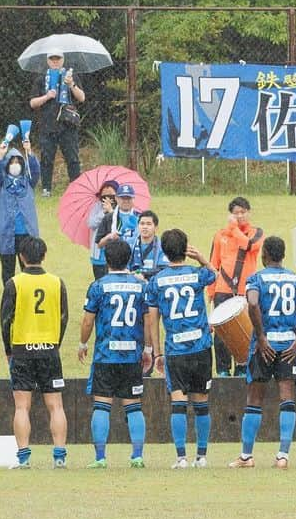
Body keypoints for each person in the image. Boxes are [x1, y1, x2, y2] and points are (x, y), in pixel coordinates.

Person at [229, 236, 296, 470]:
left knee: (254, 399)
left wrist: (262, 337)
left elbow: (252, 303)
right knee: (287, 397)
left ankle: (246, 456)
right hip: (288, 345)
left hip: (264, 346)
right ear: (283, 255)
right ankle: (283, 455)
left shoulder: (256, 278)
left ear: (264, 255)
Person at [145, 228, 216, 470]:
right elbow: (214, 275)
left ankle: (181, 457)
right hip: (201, 346)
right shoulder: (197, 275)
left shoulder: (156, 282)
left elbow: (152, 320)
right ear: (185, 249)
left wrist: (156, 353)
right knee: (201, 403)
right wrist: (203, 259)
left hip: (175, 349)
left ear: (163, 251)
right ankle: (202, 456)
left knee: (178, 401)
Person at [77, 240, 151, 469]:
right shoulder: (140, 286)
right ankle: (137, 456)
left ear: (106, 260)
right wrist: (148, 348)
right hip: (131, 355)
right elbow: (148, 319)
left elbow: (88, 319)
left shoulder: (98, 286)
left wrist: (82, 343)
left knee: (101, 405)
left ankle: (100, 458)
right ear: (128, 258)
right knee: (134, 405)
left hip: (106, 355)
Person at [0, 236, 69, 469]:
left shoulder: (14, 283)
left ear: (21, 257)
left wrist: (9, 351)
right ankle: (59, 456)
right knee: (56, 405)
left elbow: (5, 320)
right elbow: (64, 318)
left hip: (22, 349)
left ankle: (24, 457)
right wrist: (55, 344)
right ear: (44, 256)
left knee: (21, 406)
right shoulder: (57, 283)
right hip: (49, 349)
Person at [208, 197, 264, 376]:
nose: (239, 216)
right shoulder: (220, 235)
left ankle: (242, 367)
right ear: (230, 214)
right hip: (223, 289)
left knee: (245, 328)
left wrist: (234, 228)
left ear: (249, 212)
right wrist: (211, 291)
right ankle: (223, 369)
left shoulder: (256, 233)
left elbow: (248, 246)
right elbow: (213, 263)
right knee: (222, 331)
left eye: (242, 212)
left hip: (245, 290)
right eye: (235, 213)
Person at [28, 51, 85, 196]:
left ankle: (75, 190)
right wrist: (47, 96)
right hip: (47, 124)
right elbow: (33, 103)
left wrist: (71, 84)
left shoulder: (71, 76)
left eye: (58, 59)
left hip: (68, 124)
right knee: (47, 158)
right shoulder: (40, 79)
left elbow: (82, 97)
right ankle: (46, 189)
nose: (55, 61)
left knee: (72, 158)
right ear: (47, 61)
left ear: (63, 60)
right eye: (52, 59)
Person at [0, 141, 40, 285]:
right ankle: (10, 299)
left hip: (26, 233)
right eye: (11, 162)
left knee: (29, 269)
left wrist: (29, 152)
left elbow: (36, 170)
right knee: (8, 271)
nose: (15, 165)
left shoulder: (28, 182)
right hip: (6, 233)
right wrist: (0, 155)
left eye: (18, 162)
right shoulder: (2, 183)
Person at [94, 183, 140, 254]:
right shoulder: (108, 218)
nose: (126, 201)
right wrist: (109, 237)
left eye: (128, 198)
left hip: (135, 258)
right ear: (116, 198)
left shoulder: (139, 217)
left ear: (133, 198)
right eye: (123, 198)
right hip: (115, 259)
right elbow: (99, 244)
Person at [87, 181, 119, 279]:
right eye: (104, 196)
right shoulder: (97, 207)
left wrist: (111, 212)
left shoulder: (122, 208)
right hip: (99, 254)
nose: (108, 199)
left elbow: (120, 226)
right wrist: (103, 212)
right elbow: (91, 224)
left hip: (116, 254)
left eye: (111, 196)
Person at [128, 210, 168, 281]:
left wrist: (144, 275)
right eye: (142, 224)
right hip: (132, 283)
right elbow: (124, 266)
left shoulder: (162, 246)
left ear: (156, 227)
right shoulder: (129, 244)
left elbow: (163, 269)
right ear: (138, 226)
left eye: (149, 224)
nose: (145, 227)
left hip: (153, 283)